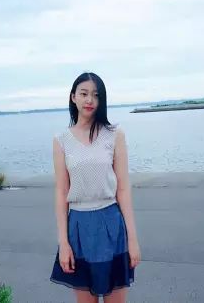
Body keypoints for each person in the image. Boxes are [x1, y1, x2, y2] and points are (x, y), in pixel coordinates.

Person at [50, 72, 141, 303]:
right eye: (84, 94)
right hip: (79, 227)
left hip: (112, 224)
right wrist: (63, 243)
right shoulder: (61, 140)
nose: (90, 100)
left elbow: (123, 189)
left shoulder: (114, 135)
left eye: (96, 95)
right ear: (73, 97)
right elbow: (61, 192)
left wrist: (133, 239)